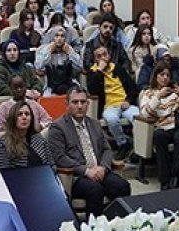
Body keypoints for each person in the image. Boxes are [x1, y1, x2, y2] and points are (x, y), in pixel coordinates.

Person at [48, 87, 131, 218]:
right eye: (75, 102)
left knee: (122, 186)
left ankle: (117, 226)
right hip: (75, 177)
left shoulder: (95, 124)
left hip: (99, 171)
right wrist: (86, 171)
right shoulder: (57, 127)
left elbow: (107, 150)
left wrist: (103, 167)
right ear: (67, 104)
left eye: (83, 102)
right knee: (95, 189)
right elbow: (60, 157)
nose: (80, 106)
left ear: (88, 104)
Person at [139, 63, 179, 190]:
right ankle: (165, 180)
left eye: (167, 75)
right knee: (159, 136)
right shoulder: (149, 93)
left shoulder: (174, 91)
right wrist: (158, 96)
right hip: (160, 126)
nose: (165, 78)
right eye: (162, 74)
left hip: (176, 125)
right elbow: (145, 113)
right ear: (156, 76)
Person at [87, 45, 139, 158]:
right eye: (99, 56)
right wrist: (100, 70)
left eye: (104, 55)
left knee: (138, 117)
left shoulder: (118, 68)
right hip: (108, 106)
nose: (102, 58)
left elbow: (133, 88)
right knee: (112, 119)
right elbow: (92, 90)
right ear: (95, 59)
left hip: (125, 103)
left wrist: (128, 100)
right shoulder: (93, 72)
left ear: (109, 56)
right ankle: (123, 144)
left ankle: (138, 148)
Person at [0, 101, 55, 170]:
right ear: (13, 118)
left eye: (27, 114)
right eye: (19, 114)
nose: (24, 117)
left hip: (44, 177)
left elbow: (52, 164)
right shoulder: (3, 143)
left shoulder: (38, 138)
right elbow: (4, 171)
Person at [36, 25, 82, 95]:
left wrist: (70, 53)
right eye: (56, 36)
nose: (59, 39)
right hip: (51, 85)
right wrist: (49, 52)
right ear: (52, 38)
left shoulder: (69, 49)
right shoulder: (45, 50)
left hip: (68, 82)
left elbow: (80, 66)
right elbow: (38, 66)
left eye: (62, 36)